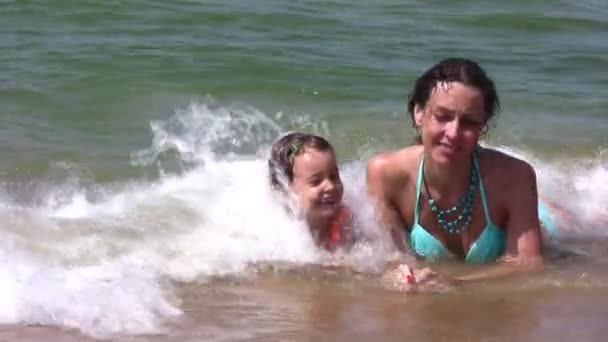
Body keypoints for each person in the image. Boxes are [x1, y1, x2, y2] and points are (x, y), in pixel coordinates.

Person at [367, 58, 545, 279]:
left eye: (469, 122)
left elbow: (528, 265)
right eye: (442, 117)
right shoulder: (385, 174)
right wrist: (402, 277)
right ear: (419, 113)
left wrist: (453, 283)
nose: (453, 133)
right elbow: (391, 259)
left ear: (483, 126)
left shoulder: (516, 177)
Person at [268, 132, 354, 252]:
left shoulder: (346, 218)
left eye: (334, 176)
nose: (330, 187)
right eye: (316, 181)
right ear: (287, 188)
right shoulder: (282, 231)